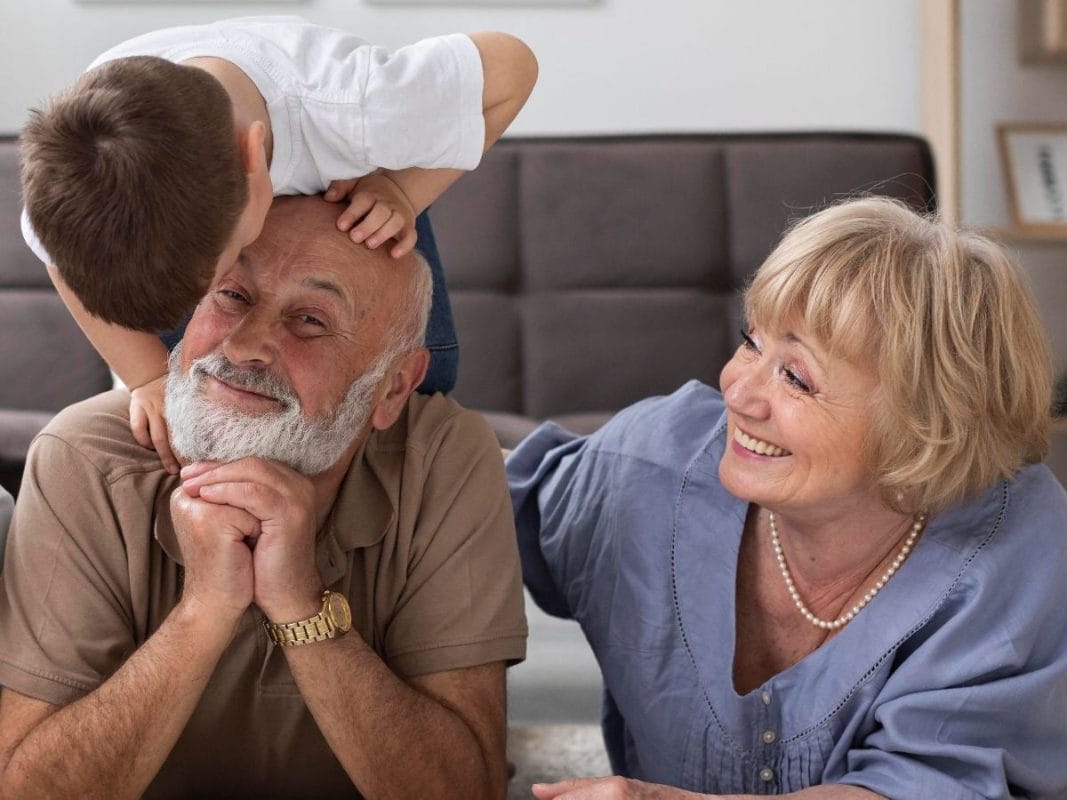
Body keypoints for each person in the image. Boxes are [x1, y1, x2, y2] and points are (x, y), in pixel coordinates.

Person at [508, 197, 1067, 799]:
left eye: (796, 376)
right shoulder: (647, 468)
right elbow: (471, 515)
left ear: (923, 423)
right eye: (751, 341)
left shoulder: (1014, 547)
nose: (737, 390)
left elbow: (924, 787)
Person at [0, 196, 527, 799]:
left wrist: (301, 604)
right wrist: (204, 611)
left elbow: (464, 791)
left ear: (394, 387)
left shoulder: (444, 457)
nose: (247, 345)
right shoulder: (85, 456)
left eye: (310, 321)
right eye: (231, 296)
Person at [19, 15, 538, 473]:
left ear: (254, 155)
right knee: (183, 419)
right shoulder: (79, 177)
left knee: (419, 386)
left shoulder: (361, 107)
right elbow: (59, 262)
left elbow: (513, 67)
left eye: (219, 275)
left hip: (347, 175)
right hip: (175, 187)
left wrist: (401, 189)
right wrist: (147, 377)